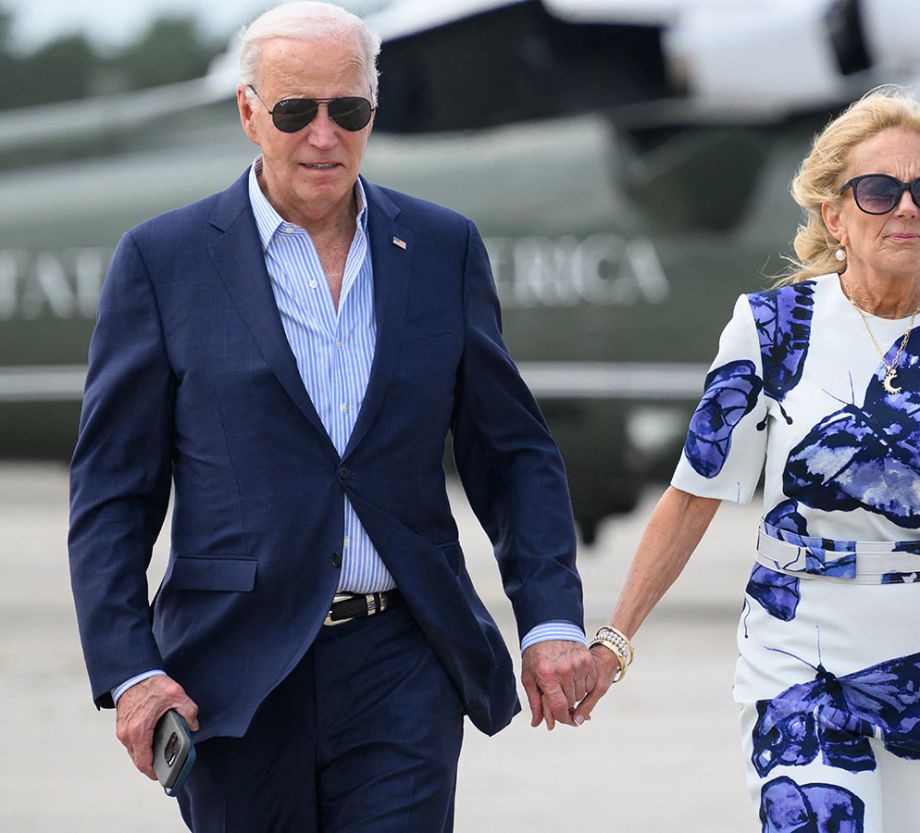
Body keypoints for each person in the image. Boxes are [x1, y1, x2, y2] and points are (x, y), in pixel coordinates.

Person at [67, 3, 594, 829]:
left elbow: (514, 454)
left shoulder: (444, 246)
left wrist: (552, 618)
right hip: (233, 671)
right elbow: (111, 495)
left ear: (372, 113)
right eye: (294, 111)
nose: (324, 135)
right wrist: (131, 669)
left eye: (346, 110)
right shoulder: (162, 261)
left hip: (402, 659)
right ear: (248, 113)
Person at [572, 88, 920, 831]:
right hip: (798, 644)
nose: (906, 208)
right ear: (834, 214)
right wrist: (616, 639)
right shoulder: (772, 328)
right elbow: (692, 495)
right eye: (878, 190)